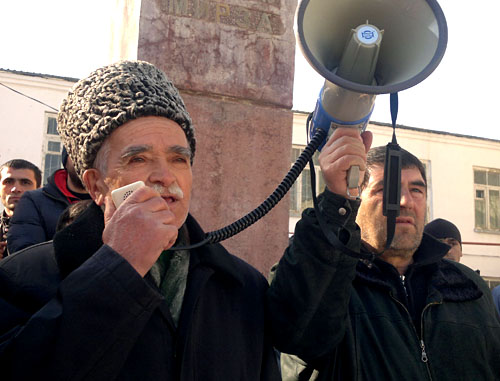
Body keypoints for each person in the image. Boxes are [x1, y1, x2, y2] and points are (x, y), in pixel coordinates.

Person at [0, 60, 280, 380]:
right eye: (139, 159)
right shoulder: (22, 279)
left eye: (179, 159)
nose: (165, 175)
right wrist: (118, 269)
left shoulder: (242, 286)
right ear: (96, 185)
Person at [267, 128, 500, 380]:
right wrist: (335, 204)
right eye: (385, 190)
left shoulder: (468, 285)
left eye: (417, 190)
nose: (404, 201)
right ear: (355, 197)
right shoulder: (331, 278)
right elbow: (294, 333)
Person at [7, 147, 90, 253]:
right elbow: (26, 256)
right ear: (66, 158)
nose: (86, 159)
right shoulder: (33, 201)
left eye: (95, 153)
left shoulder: (113, 201)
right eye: (78, 151)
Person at [0, 159, 41, 258]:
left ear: (39, 189)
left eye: (25, 182)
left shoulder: (52, 229)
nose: (16, 189)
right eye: (8, 182)